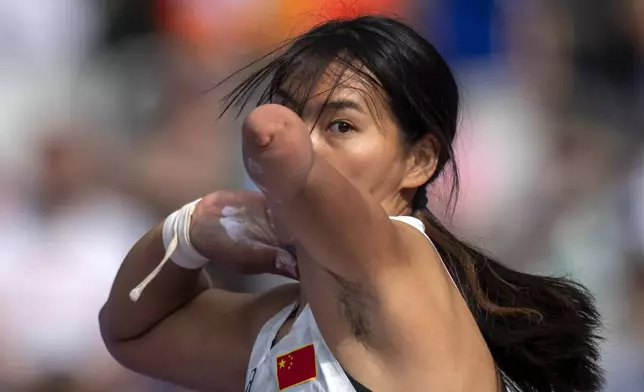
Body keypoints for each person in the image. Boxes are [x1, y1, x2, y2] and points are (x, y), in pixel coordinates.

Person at [99, 16, 604, 392]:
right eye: (296, 115)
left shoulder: (403, 265)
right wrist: (191, 230)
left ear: (419, 161)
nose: (310, 141)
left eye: (341, 125)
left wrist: (278, 154)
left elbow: (275, 142)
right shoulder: (284, 327)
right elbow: (132, 333)